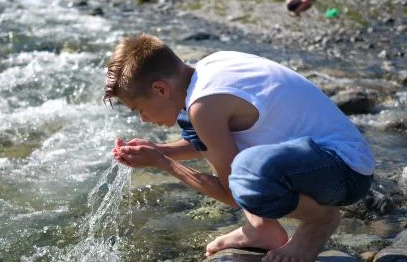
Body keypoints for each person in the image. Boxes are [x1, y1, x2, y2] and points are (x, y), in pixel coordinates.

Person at [104, 34, 374, 262]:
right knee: (199, 130)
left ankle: (320, 221)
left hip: (345, 171)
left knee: (246, 175)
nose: (143, 119)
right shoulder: (206, 71)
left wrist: (164, 164)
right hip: (331, 159)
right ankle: (261, 228)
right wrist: (161, 149)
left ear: (160, 89)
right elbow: (213, 141)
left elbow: (237, 192)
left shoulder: (203, 107)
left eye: (139, 109)